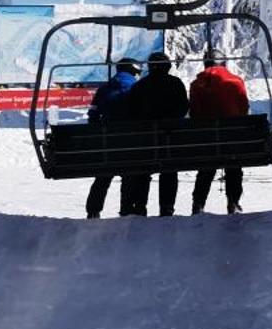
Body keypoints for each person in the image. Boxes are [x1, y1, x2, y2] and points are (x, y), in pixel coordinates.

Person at [118, 49, 189, 216]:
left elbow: (131, 112)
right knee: (169, 169)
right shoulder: (175, 83)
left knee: (143, 169)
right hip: (170, 138)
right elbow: (184, 107)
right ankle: (167, 207)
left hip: (145, 141)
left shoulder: (139, 86)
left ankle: (140, 205)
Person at [188, 46, 250, 214]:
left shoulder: (196, 84)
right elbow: (243, 108)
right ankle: (233, 201)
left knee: (207, 166)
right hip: (232, 138)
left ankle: (198, 203)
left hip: (207, 140)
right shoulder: (236, 81)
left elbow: (194, 113)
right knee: (234, 164)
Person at [84, 57, 140, 218]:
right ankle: (127, 209)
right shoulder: (136, 88)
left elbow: (93, 114)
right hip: (132, 143)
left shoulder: (104, 89)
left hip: (108, 142)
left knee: (103, 176)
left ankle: (93, 210)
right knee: (130, 174)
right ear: (132, 71)